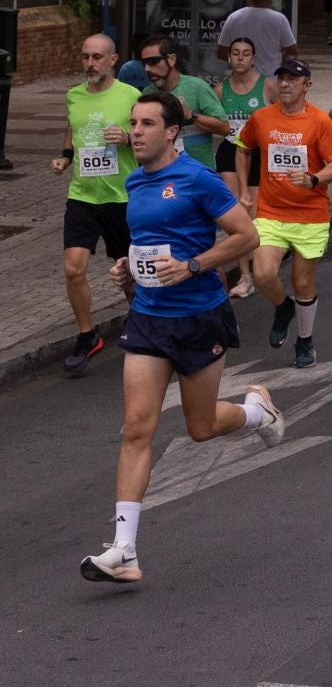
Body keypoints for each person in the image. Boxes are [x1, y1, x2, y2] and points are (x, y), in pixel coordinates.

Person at [82, 90, 273, 583]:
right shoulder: (134, 180)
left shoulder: (197, 178)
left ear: (171, 132)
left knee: (201, 427)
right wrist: (128, 269)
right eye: (133, 123)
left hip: (199, 316)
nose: (136, 131)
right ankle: (124, 550)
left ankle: (257, 412)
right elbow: (146, 244)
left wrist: (193, 265)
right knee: (136, 427)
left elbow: (247, 236)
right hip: (148, 317)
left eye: (147, 124)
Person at [235, 60, 332, 368]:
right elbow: (242, 148)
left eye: (292, 79)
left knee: (302, 281)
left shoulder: (320, 121)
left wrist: (314, 179)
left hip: (311, 215)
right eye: (281, 78)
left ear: (306, 85)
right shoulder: (262, 118)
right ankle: (283, 308)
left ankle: (305, 340)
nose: (284, 83)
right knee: (263, 274)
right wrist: (244, 189)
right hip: (271, 212)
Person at [53, 35, 140, 375]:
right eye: (85, 57)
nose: (90, 63)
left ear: (113, 60)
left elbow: (151, 135)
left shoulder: (131, 96)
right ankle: (87, 336)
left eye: (97, 57)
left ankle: (143, 322)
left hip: (122, 198)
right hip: (83, 197)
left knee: (131, 273)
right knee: (73, 269)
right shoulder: (73, 95)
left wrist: (128, 138)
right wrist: (65, 156)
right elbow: (72, 126)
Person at [215, 38, 269, 297]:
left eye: (246, 53)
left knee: (254, 216)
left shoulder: (266, 86)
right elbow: (215, 122)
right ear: (229, 57)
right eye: (235, 53)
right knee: (236, 214)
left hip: (257, 155)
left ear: (253, 58)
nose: (240, 58)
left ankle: (260, 270)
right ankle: (245, 276)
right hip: (229, 152)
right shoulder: (220, 90)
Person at [136, 36, 228, 171]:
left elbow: (224, 128)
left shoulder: (197, 87)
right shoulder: (148, 93)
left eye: (153, 61)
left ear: (171, 59)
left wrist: (191, 115)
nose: (147, 68)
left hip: (197, 173)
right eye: (144, 63)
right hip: (162, 173)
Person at [217, 0, 298, 98]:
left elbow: (221, 53)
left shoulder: (234, 18)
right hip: (271, 80)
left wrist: (237, 62)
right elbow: (292, 51)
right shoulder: (279, 19)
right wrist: (277, 59)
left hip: (241, 82)